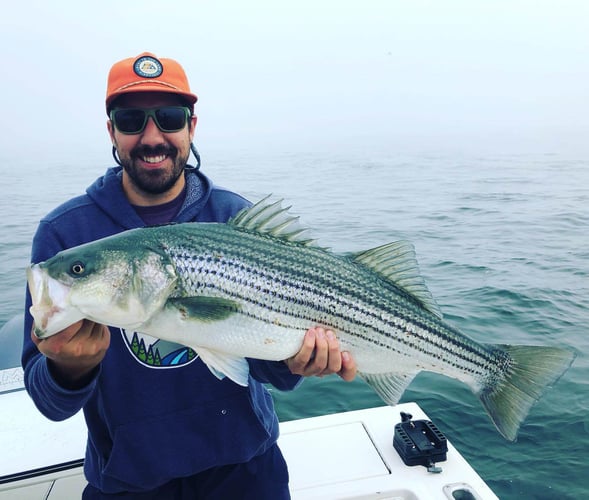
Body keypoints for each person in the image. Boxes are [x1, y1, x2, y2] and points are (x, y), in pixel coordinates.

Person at [22, 52, 357, 499]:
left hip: (247, 473)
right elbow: (49, 402)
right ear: (112, 132)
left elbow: (265, 367)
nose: (152, 136)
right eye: (131, 119)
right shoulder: (65, 236)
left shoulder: (233, 217)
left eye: (169, 117)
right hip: (129, 483)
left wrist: (298, 362)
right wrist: (70, 370)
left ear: (191, 126)